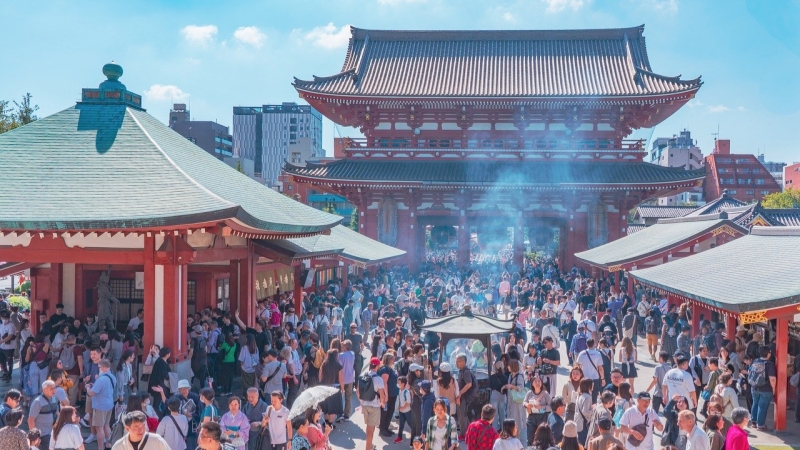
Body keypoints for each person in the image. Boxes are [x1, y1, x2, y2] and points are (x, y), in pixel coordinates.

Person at [357, 357, 386, 450]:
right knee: (371, 429)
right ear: (377, 366)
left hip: (365, 405)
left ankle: (370, 445)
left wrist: (361, 403)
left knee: (368, 427)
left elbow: (358, 392)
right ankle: (367, 448)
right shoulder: (378, 379)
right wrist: (383, 403)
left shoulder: (362, 376)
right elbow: (382, 394)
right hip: (375, 406)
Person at [87, 359, 116, 450]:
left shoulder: (101, 379)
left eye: (99, 367)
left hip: (100, 406)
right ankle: (108, 444)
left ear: (103, 367)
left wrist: (87, 387)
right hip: (109, 404)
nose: (98, 369)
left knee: (99, 428)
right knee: (106, 425)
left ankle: (100, 448)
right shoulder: (112, 377)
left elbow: (91, 393)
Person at [748, 346, 776, 431]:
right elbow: (772, 379)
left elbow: (750, 372)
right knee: (762, 407)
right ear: (768, 354)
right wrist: (774, 389)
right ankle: (760, 425)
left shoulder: (754, 361)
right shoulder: (769, 364)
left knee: (755, 404)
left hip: (754, 387)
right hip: (766, 388)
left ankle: (753, 422)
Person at [29, 380, 59, 450]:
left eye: (54, 388)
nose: (54, 390)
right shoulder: (37, 402)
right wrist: (34, 436)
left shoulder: (54, 398)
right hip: (42, 435)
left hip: (52, 432)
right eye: (51, 389)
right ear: (44, 390)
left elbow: (55, 411)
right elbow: (30, 420)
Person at [525, 375, 552, 445]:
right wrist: (527, 405)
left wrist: (541, 407)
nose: (537, 383)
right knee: (530, 438)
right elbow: (524, 402)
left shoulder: (545, 394)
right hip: (531, 416)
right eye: (535, 381)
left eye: (539, 381)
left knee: (541, 438)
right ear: (532, 384)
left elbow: (551, 407)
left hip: (542, 417)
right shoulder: (529, 393)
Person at [455, 353, 476, 441]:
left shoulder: (466, 372)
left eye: (458, 362)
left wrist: (460, 393)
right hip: (462, 397)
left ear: (463, 362)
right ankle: (469, 432)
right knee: (463, 416)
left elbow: (469, 384)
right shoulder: (461, 371)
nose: (456, 364)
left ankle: (463, 435)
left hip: (464, 397)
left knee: (462, 416)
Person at [338, 339, 356, 421]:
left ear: (345, 346)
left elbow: (339, 367)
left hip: (342, 378)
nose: (342, 346)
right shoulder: (352, 354)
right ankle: (347, 415)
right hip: (350, 378)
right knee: (348, 397)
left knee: (340, 397)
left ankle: (340, 414)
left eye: (343, 345)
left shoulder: (341, 355)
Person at [574, 379, 593, 446]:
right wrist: (594, 410)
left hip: (578, 421)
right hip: (583, 423)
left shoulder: (580, 395)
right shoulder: (587, 397)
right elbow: (585, 412)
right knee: (584, 443)